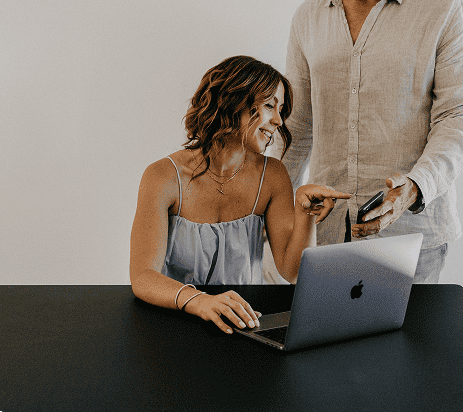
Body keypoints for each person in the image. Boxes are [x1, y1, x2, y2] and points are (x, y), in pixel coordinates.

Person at [272, 0, 463, 283]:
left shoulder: (445, 12)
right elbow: (296, 126)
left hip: (412, 234)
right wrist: (271, 208)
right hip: (328, 231)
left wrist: (415, 187)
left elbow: (461, 116)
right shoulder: (307, 18)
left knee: (406, 331)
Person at [130, 55, 350, 334]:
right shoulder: (162, 176)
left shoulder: (273, 176)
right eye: (270, 105)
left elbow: (292, 271)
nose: (278, 120)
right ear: (232, 101)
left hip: (244, 323)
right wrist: (201, 302)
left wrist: (305, 213)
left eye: (281, 109)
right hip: (173, 322)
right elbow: (143, 277)